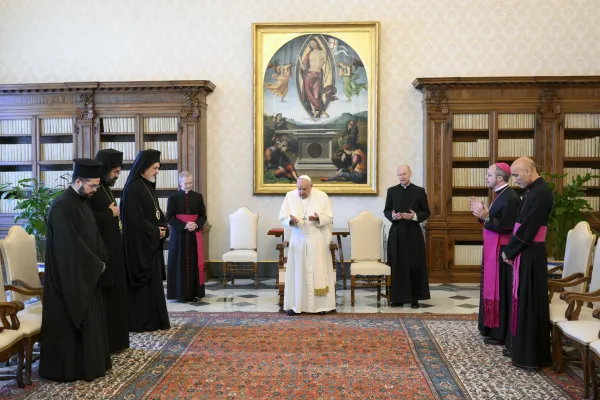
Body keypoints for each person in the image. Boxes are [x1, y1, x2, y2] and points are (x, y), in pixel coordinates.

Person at [39, 158, 111, 382]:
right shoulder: (62, 206)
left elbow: (93, 236)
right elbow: (69, 247)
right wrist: (95, 264)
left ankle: (91, 364)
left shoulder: (82, 201)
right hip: (69, 281)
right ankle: (71, 370)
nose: (95, 190)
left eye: (98, 186)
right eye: (93, 186)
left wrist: (101, 258)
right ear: (78, 181)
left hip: (86, 274)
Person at [501, 157, 553, 369]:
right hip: (526, 250)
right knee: (521, 301)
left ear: (529, 170)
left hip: (530, 252)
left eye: (516, 175)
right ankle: (518, 347)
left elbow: (528, 228)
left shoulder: (541, 192)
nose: (514, 180)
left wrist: (510, 251)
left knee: (528, 301)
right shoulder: (533, 190)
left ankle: (529, 354)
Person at [470, 163, 520, 346]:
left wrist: (486, 217)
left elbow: (506, 227)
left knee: (501, 290)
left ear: (500, 178)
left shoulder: (511, 198)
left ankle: (500, 333)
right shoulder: (500, 195)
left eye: (489, 175)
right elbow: (493, 219)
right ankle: (490, 328)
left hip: (502, 251)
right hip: (494, 248)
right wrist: (481, 214)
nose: (486, 177)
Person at [120, 149, 170, 332]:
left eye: (158, 168)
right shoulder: (133, 189)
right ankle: (143, 322)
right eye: (155, 168)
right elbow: (134, 222)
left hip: (151, 245)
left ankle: (154, 320)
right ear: (144, 167)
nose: (157, 172)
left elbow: (157, 214)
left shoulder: (147, 186)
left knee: (154, 285)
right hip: (139, 247)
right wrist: (155, 231)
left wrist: (164, 228)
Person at [88, 149, 130, 353]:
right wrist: (108, 213)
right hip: (102, 250)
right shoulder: (93, 190)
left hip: (114, 247)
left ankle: (117, 340)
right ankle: (109, 340)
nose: (116, 175)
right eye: (114, 171)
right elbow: (87, 220)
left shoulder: (104, 187)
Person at [279, 175, 336, 315]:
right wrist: (290, 221)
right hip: (298, 240)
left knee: (317, 272)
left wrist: (318, 218)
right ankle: (296, 305)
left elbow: (329, 217)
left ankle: (321, 306)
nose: (301, 192)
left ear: (311, 187)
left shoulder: (322, 196)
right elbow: (283, 217)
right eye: (299, 189)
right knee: (298, 273)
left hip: (316, 239)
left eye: (305, 189)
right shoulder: (290, 196)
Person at [384, 165, 431, 308]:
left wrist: (414, 216)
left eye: (404, 174)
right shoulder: (392, 191)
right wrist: (393, 215)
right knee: (397, 264)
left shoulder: (419, 191)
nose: (402, 177)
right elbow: (386, 210)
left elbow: (426, 212)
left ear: (410, 174)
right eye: (399, 175)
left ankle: (414, 298)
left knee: (414, 264)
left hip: (413, 232)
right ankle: (397, 298)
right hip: (397, 232)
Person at [166, 171, 207, 302]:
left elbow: (203, 215)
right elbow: (169, 217)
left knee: (194, 262)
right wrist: (184, 225)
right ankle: (180, 294)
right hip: (179, 236)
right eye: (186, 183)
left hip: (194, 236)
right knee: (180, 263)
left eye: (190, 183)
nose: (189, 185)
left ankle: (194, 294)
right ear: (180, 183)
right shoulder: (173, 197)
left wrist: (196, 224)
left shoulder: (198, 197)